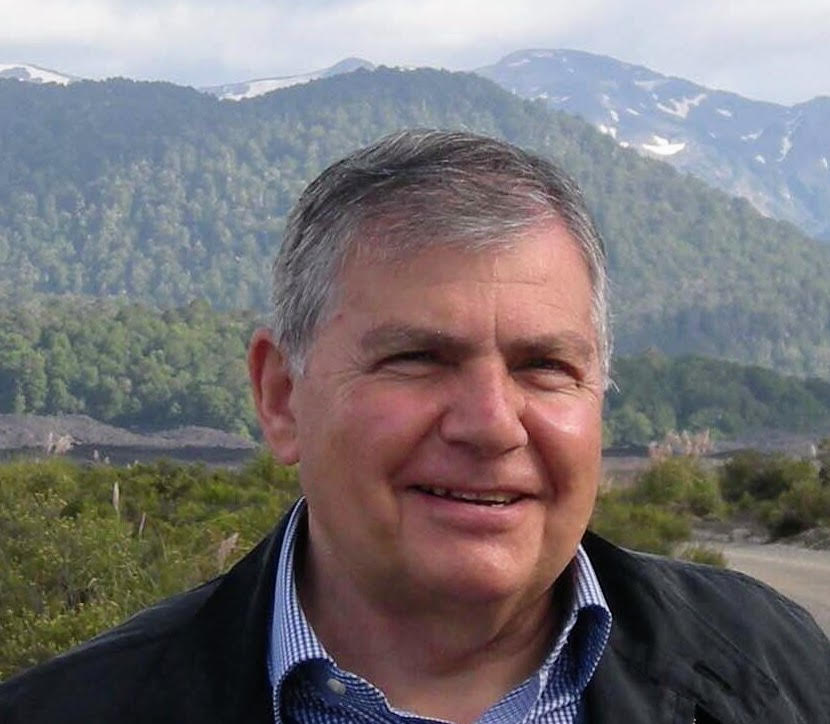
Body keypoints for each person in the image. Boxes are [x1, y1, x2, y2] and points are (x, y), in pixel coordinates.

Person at [1, 130, 827, 723]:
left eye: (545, 366)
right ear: (282, 397)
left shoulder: (776, 670)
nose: (491, 424)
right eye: (419, 358)